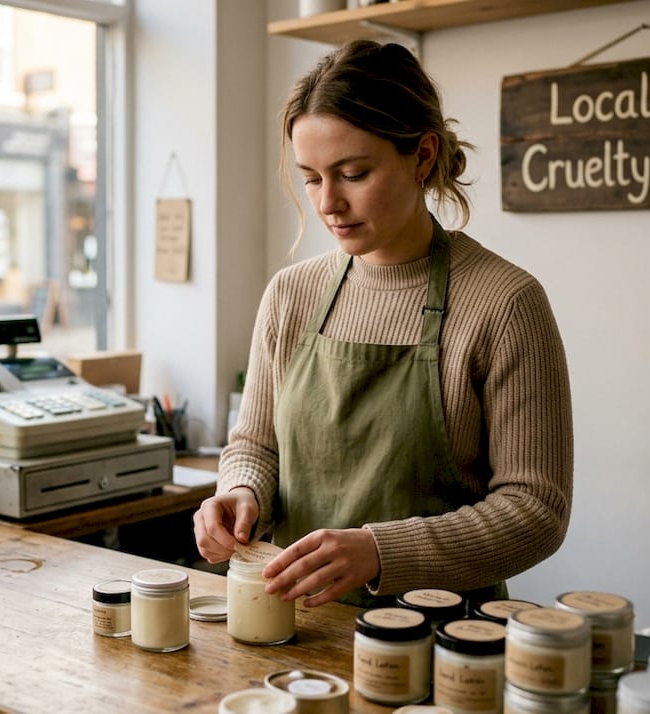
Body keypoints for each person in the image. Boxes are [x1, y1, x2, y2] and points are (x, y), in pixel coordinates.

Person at [192, 41, 573, 609]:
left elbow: (536, 510)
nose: (328, 203)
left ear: (421, 156)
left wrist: (380, 552)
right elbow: (256, 443)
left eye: (352, 173)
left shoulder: (505, 303)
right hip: (291, 629)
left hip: (440, 642)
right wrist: (239, 490)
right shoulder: (290, 295)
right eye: (312, 178)